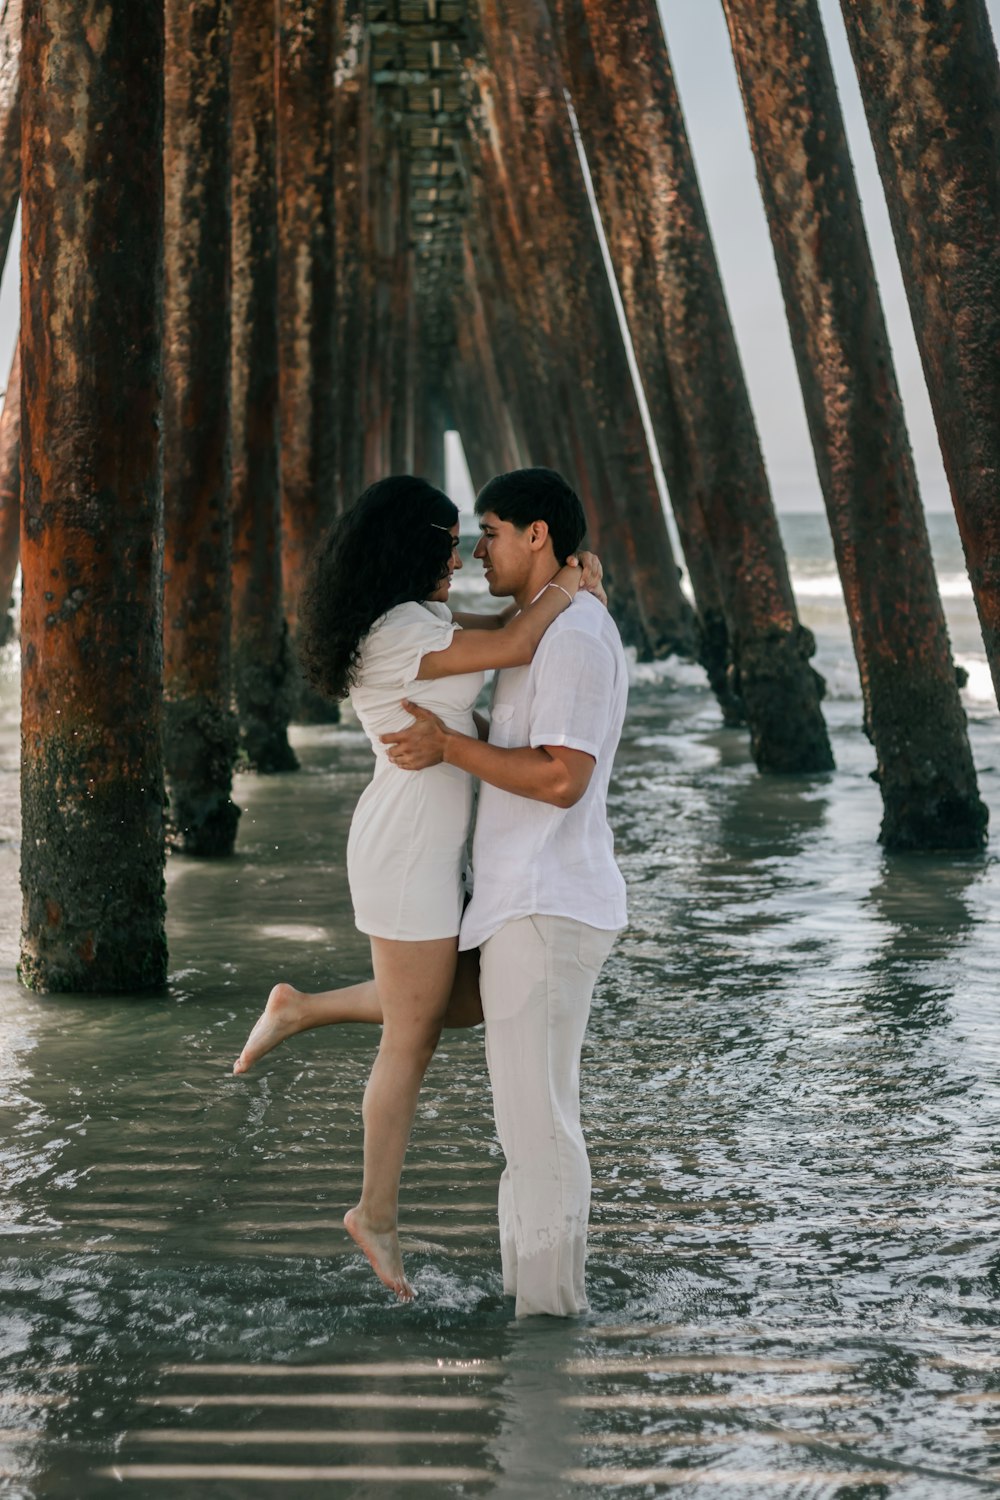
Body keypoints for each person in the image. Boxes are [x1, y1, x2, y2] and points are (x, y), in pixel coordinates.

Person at [232, 475, 600, 1302]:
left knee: (449, 1002)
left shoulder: (419, 619)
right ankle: (375, 1213)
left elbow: (508, 624)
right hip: (405, 852)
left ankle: (301, 1008)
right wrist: (569, 582)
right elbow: (516, 646)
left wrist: (561, 587)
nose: (460, 559)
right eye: (445, 545)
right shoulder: (396, 630)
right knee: (415, 1034)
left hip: (427, 848)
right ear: (407, 550)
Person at [382, 467, 628, 1318]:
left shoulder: (575, 637)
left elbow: (561, 777)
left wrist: (451, 748)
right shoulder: (546, 629)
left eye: (489, 531)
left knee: (540, 1128)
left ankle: (553, 1320)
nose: (475, 548)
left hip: (546, 906)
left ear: (538, 536)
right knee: (527, 1131)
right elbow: (529, 744)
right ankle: (534, 1304)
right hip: (524, 905)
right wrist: (470, 734)